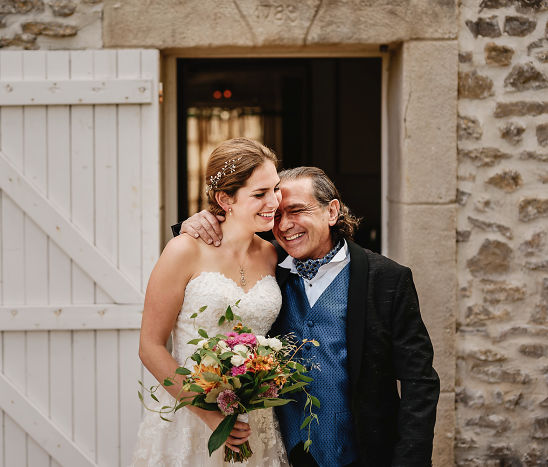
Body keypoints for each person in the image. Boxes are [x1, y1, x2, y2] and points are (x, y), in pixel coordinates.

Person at [179, 166, 440, 467]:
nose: (285, 225)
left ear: (331, 212)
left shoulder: (387, 279)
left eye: (297, 210)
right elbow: (215, 262)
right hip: (283, 454)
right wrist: (197, 223)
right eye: (276, 216)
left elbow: (419, 381)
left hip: (363, 453)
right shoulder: (265, 267)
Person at [132, 138, 289, 466]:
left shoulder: (275, 254)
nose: (274, 201)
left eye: (276, 188)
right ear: (224, 198)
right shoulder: (184, 250)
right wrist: (208, 414)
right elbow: (150, 346)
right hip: (190, 418)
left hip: (255, 421)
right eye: (259, 194)